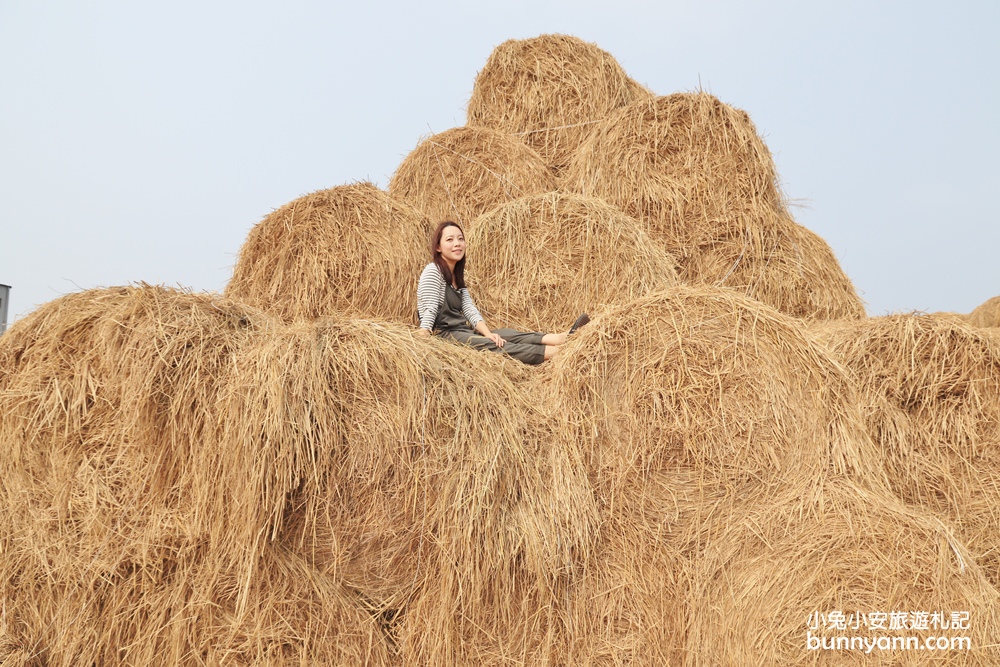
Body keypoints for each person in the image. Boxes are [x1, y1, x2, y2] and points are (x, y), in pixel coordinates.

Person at [415, 220, 589, 364]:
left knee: (507, 334)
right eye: (450, 240)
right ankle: (559, 353)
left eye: (460, 239)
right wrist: (424, 338)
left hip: (463, 331)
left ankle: (563, 338)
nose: (457, 244)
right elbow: (430, 308)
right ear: (438, 247)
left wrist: (489, 333)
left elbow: (470, 310)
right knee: (497, 346)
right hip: (445, 336)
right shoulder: (433, 270)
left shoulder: (456, 276)